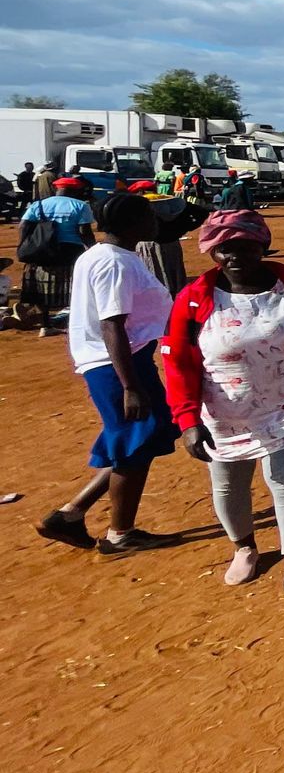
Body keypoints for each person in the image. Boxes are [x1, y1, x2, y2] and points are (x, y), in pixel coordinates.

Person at [163, 210, 284, 594]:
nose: (234, 256)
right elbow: (178, 362)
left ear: (262, 245)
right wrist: (188, 421)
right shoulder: (194, 298)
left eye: (245, 247)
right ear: (212, 251)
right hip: (225, 410)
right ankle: (244, 548)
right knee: (229, 484)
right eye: (224, 249)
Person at [34, 192, 176, 555]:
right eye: (149, 216)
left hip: (122, 360)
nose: (155, 222)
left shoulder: (103, 254)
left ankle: (70, 514)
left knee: (143, 436)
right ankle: (120, 534)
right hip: (117, 364)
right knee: (135, 443)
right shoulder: (114, 262)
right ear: (131, 223)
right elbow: (112, 324)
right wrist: (130, 386)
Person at [18, 176, 95, 336]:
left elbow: (23, 225)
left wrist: (24, 244)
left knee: (42, 286)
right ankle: (75, 323)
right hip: (70, 250)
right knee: (74, 286)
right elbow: (84, 231)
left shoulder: (39, 204)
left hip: (42, 250)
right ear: (75, 190)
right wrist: (92, 249)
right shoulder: (80, 205)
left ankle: (45, 325)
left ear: (57, 189)